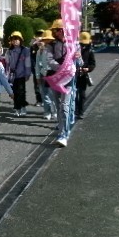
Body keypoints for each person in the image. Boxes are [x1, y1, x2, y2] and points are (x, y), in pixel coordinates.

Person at [46, 19, 76, 147]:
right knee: (58, 105)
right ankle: (62, 126)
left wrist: (78, 57)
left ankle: (63, 134)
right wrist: (61, 68)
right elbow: (49, 60)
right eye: (56, 30)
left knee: (64, 106)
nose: (58, 32)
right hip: (56, 78)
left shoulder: (73, 43)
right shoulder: (51, 45)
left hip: (68, 79)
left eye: (60, 30)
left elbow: (79, 62)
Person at [5, 31, 31, 116]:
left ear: (20, 40)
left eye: (17, 39)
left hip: (21, 74)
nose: (15, 40)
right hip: (12, 75)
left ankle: (23, 107)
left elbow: (27, 63)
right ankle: (17, 108)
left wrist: (27, 74)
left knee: (21, 91)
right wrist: (6, 74)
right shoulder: (9, 51)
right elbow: (7, 64)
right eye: (13, 39)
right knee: (14, 92)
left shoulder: (25, 50)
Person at [35, 30, 57, 121]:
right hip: (43, 74)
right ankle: (47, 112)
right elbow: (37, 65)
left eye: (48, 39)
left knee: (54, 95)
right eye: (44, 40)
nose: (46, 41)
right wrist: (37, 76)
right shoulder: (39, 51)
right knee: (45, 95)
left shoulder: (54, 49)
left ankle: (55, 112)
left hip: (53, 74)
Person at [75, 32, 96, 120]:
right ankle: (75, 110)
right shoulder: (74, 49)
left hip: (83, 75)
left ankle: (81, 111)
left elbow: (93, 63)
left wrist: (88, 69)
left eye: (85, 44)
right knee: (74, 94)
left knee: (82, 94)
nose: (83, 45)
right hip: (74, 74)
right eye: (82, 43)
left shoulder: (90, 51)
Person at [29, 29, 45, 107]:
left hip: (45, 69)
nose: (39, 37)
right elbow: (31, 58)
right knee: (37, 85)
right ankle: (39, 100)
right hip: (36, 68)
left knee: (46, 86)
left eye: (41, 35)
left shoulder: (47, 46)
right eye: (38, 35)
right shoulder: (33, 46)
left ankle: (45, 100)